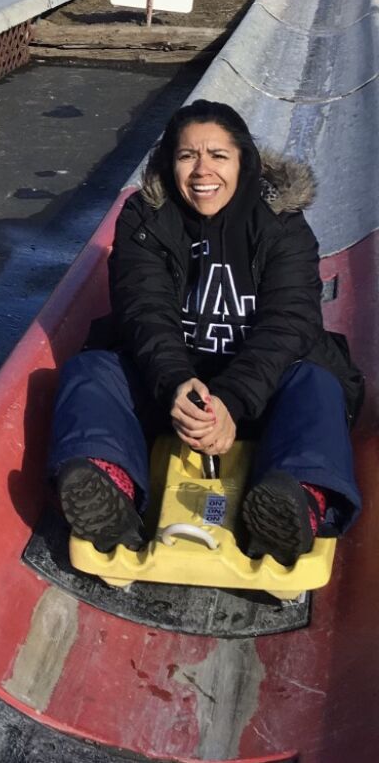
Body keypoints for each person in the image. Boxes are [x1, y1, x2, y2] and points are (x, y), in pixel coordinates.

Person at [48, 99, 363, 565]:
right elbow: (144, 309)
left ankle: (297, 498)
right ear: (169, 163)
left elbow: (290, 319)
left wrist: (233, 401)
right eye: (186, 156)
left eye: (218, 155)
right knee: (92, 370)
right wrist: (175, 381)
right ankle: (106, 481)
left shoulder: (281, 225)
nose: (201, 171)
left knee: (318, 384)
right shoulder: (146, 219)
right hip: (170, 383)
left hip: (259, 389)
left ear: (244, 162)